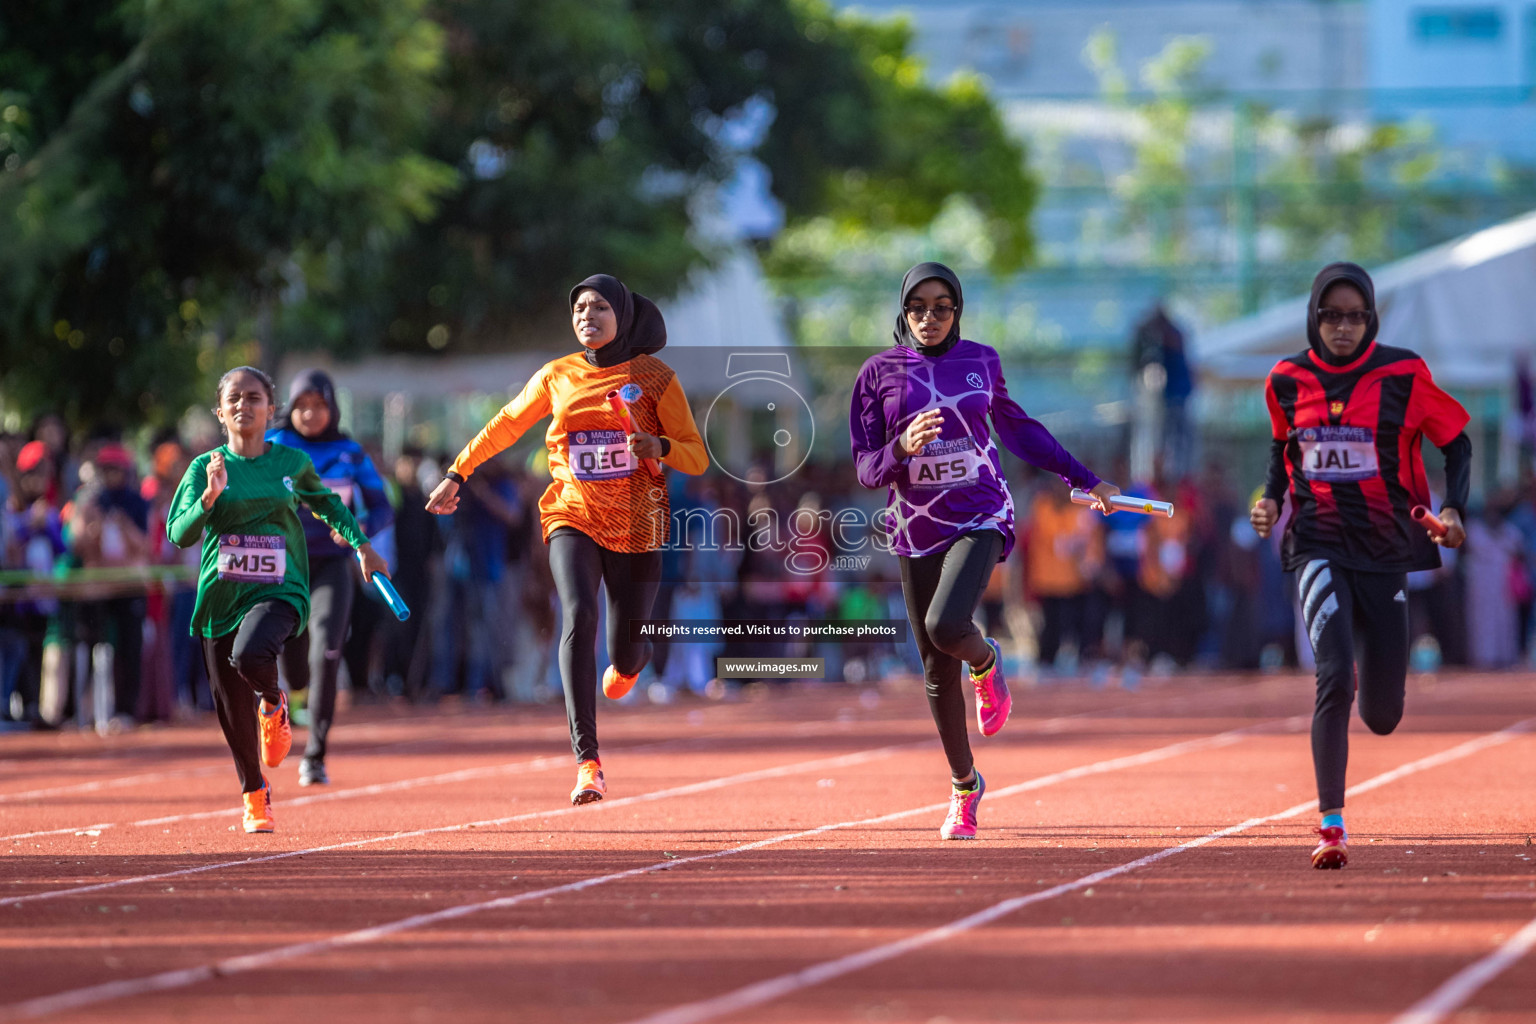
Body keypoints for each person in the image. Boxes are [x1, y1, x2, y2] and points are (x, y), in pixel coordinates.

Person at [849, 262, 1119, 840]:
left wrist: (1085, 478)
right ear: (904, 312)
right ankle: (964, 788)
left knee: (948, 624)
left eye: (941, 306)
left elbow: (1018, 429)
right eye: (918, 307)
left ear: (957, 312)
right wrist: (901, 445)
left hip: (980, 511)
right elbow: (868, 469)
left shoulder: (981, 360)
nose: (929, 317)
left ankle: (989, 659)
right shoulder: (877, 374)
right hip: (915, 526)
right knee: (933, 669)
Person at [426, 274, 708, 805]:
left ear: (623, 315)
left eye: (600, 307)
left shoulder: (655, 378)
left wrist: (660, 443)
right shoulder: (556, 375)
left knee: (626, 648)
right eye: (579, 307)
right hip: (571, 514)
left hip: (639, 523)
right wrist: (457, 473)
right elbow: (508, 424)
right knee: (578, 614)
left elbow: (696, 455)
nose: (587, 316)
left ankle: (629, 662)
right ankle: (588, 761)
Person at [1249, 262, 1470, 870]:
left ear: (1370, 319)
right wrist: (1269, 500)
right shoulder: (1287, 379)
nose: (1342, 328)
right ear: (1314, 317)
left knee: (1382, 713)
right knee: (1333, 674)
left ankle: (1381, 690)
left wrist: (1453, 507)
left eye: (1354, 317)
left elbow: (1457, 441)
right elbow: (1280, 447)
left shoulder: (1403, 373)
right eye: (1330, 316)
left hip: (1386, 549)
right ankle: (1331, 825)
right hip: (1318, 542)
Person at [167, 367, 387, 833]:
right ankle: (254, 792)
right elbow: (179, 534)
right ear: (220, 410)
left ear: (271, 409)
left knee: (252, 653)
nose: (244, 405)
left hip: (280, 588)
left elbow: (328, 503)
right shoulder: (203, 467)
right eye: (234, 398)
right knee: (229, 709)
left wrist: (363, 545)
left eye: (254, 397)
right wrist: (209, 497)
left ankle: (273, 700)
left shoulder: (291, 463)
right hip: (221, 595)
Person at [267, 370, 395, 786]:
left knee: (326, 648)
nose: (310, 413)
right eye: (302, 405)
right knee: (296, 663)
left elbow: (382, 507)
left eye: (319, 405)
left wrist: (358, 526)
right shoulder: (275, 446)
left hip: (333, 565)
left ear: (332, 408)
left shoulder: (350, 452)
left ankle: (316, 754)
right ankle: (292, 694)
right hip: (285, 567)